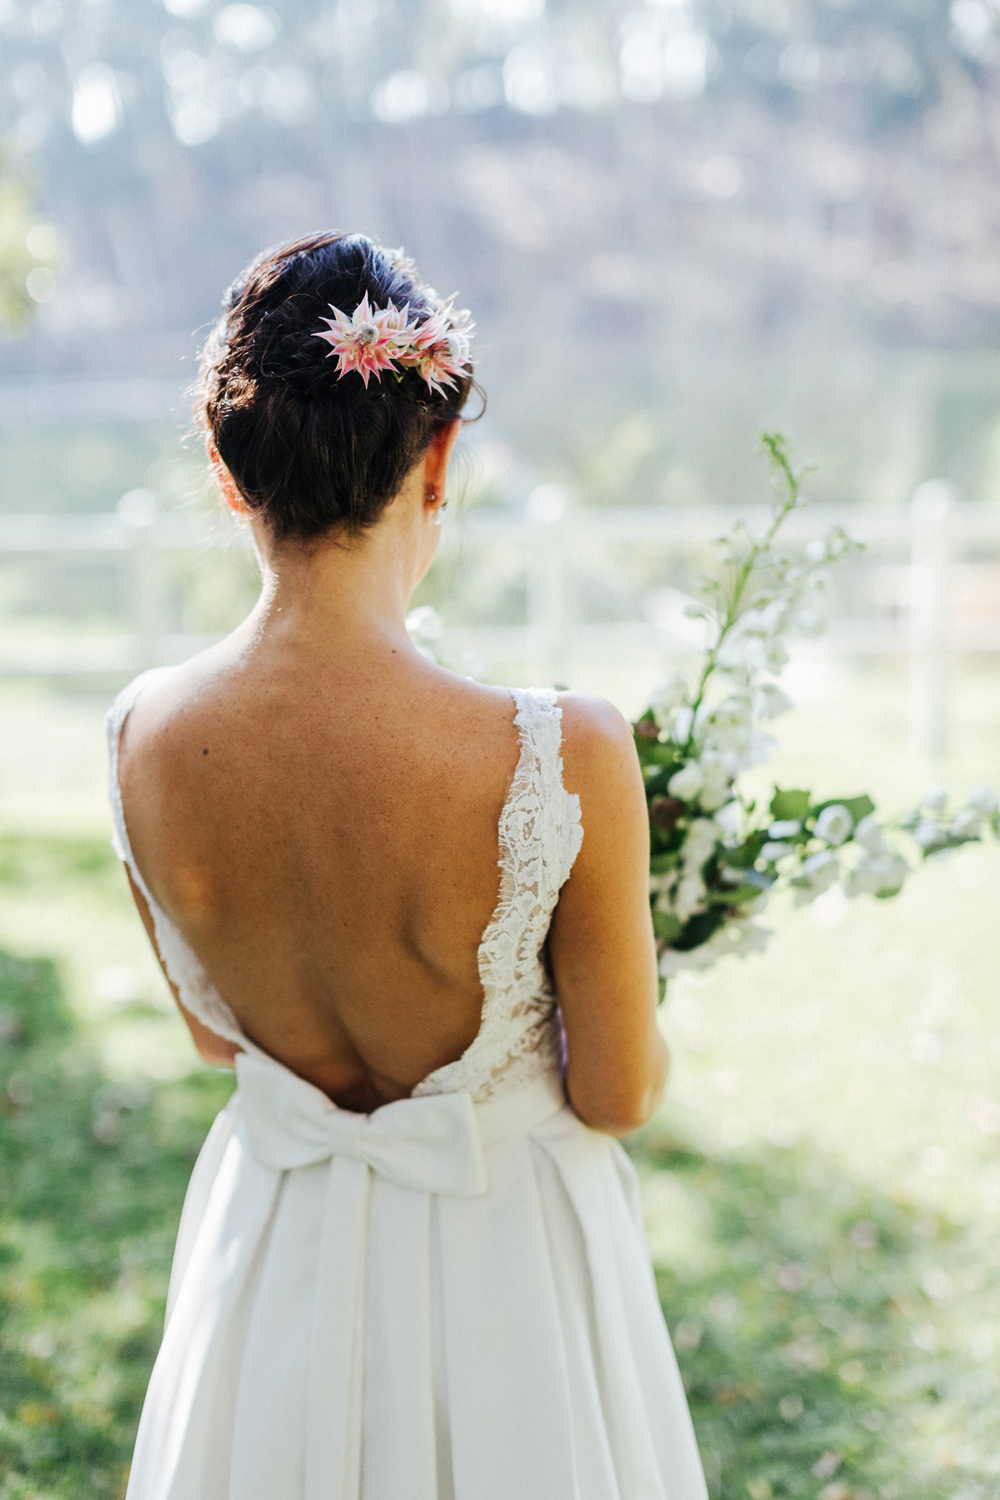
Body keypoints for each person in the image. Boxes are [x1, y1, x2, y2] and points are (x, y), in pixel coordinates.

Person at [107, 231, 708, 1500]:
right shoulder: (562, 753)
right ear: (437, 461)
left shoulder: (138, 740)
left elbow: (221, 1046)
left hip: (276, 1263)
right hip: (515, 1284)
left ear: (227, 472)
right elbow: (618, 1094)